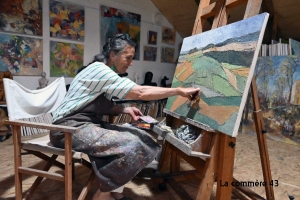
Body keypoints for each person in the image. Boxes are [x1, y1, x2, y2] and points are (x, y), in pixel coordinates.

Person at [50, 33, 200, 200]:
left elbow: (97, 103)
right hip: (66, 129)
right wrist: (178, 91)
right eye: (128, 58)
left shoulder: (102, 69)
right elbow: (141, 92)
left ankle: (115, 191)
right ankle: (103, 196)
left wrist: (125, 110)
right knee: (131, 144)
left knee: (142, 137)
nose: (131, 63)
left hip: (85, 125)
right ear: (113, 55)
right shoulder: (100, 70)